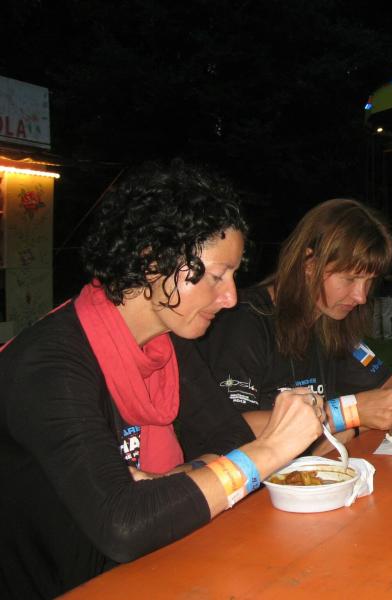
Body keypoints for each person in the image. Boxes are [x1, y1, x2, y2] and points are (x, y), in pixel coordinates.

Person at [0, 161, 324, 599]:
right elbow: (124, 526)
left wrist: (166, 486)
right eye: (216, 276)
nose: (230, 298)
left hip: (152, 571)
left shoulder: (167, 343)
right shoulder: (49, 366)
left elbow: (229, 439)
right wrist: (269, 450)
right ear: (152, 261)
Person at [191, 198, 392, 451]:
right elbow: (232, 428)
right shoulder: (244, 320)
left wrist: (350, 428)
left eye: (369, 281)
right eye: (350, 279)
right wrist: (347, 414)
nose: (361, 297)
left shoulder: (331, 324)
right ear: (309, 264)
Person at [373, 271, 392, 340]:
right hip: (387, 293)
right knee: (386, 315)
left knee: (377, 315)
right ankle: (387, 336)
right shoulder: (387, 266)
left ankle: (376, 335)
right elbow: (387, 277)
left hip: (377, 292)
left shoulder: (376, 266)